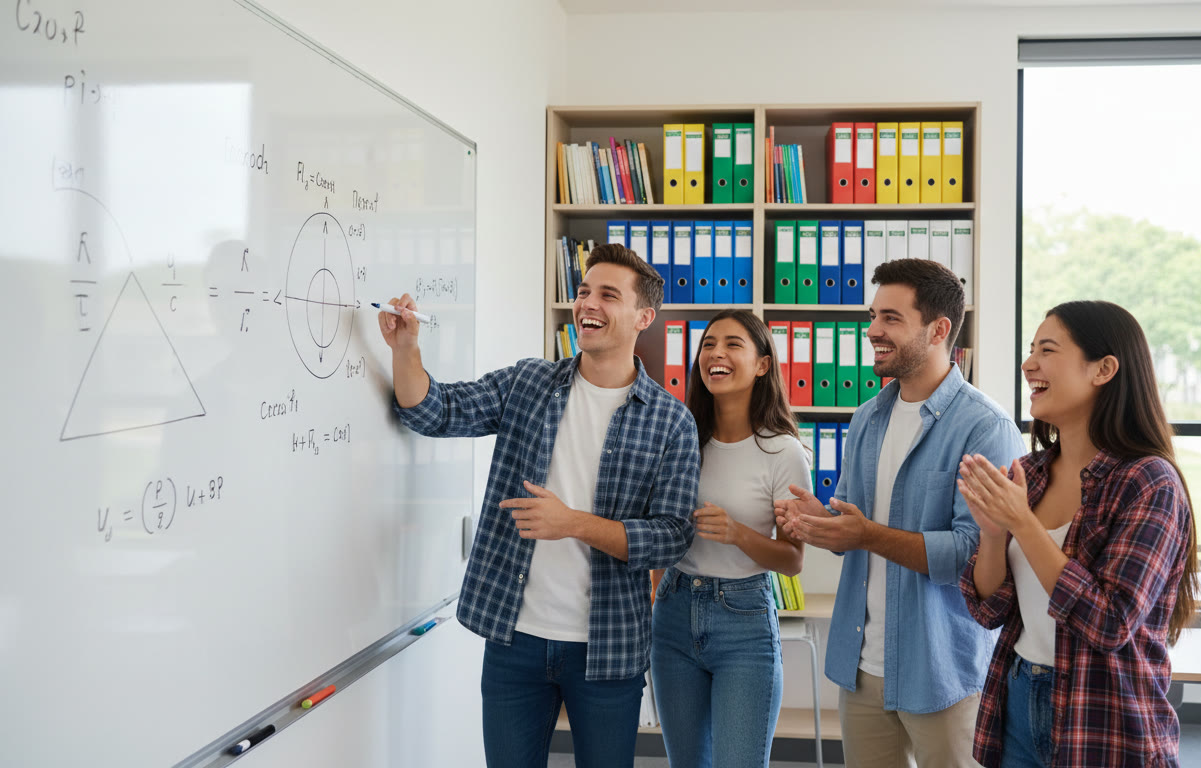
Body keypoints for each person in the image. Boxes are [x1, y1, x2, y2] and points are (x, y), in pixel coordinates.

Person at [380, 244, 700, 768]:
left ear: (644, 316)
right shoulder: (530, 383)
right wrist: (406, 350)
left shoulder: (671, 422)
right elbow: (436, 412)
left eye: (607, 295)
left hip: (608, 649)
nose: (587, 304)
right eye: (582, 291)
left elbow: (671, 536)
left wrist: (572, 523)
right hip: (515, 641)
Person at [775, 259, 1023, 768]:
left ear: (939, 330)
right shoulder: (868, 416)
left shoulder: (985, 427)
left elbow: (972, 556)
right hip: (862, 666)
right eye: (873, 316)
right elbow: (854, 528)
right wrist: (820, 520)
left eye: (890, 318)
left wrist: (865, 534)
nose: (872, 331)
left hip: (942, 672)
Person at [957, 300, 1198, 768]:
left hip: (1106, 716)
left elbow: (1109, 622)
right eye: (1030, 351)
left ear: (1104, 369)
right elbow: (989, 609)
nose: (1029, 365)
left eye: (1047, 350)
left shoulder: (1148, 481)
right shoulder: (1030, 473)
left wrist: (1023, 525)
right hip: (1019, 698)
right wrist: (991, 532)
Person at [650, 309, 812, 768]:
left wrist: (738, 533)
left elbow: (793, 560)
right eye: (708, 344)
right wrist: (657, 592)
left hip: (743, 622)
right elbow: (661, 526)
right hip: (674, 613)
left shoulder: (784, 451)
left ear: (763, 364)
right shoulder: (681, 436)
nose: (716, 353)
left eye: (733, 344)